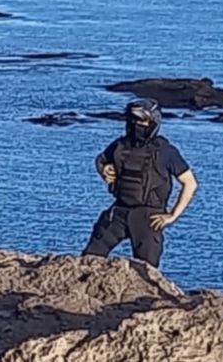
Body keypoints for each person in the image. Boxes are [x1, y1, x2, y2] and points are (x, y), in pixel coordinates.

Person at [82, 99, 199, 268]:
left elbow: (190, 183)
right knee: (89, 259)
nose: (137, 124)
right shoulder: (120, 145)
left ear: (153, 122)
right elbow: (100, 160)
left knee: (147, 271)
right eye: (133, 120)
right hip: (119, 211)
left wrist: (173, 215)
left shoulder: (165, 152)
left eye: (142, 120)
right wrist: (104, 170)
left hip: (149, 217)